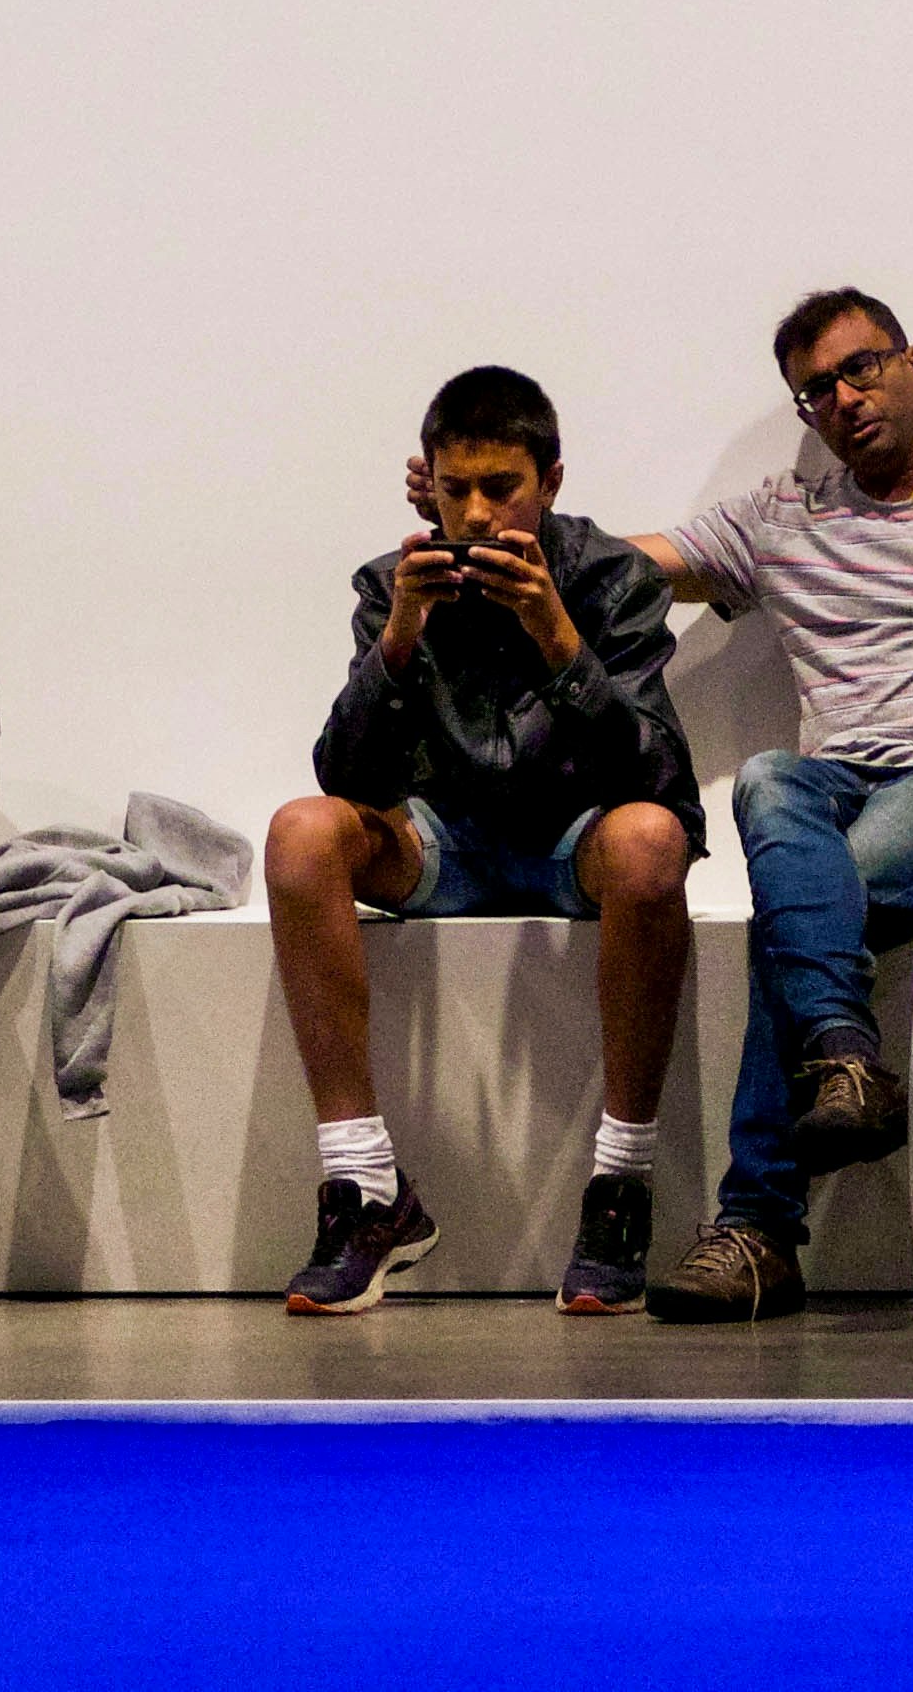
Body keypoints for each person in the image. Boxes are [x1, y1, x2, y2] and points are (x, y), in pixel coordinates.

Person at [628, 284, 913, 1322]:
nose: (841, 398)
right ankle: (842, 1061)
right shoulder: (781, 516)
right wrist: (504, 531)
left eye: (860, 368)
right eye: (815, 391)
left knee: (788, 926)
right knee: (761, 778)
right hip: (830, 782)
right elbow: (629, 568)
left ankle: (757, 1225)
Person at [265, 363, 703, 1314]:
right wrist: (400, 636)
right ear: (426, 480)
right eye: (454, 489)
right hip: (443, 841)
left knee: (648, 843)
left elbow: (659, 780)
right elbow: (344, 777)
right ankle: (365, 1188)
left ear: (548, 481)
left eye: (499, 489)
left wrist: (556, 634)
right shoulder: (394, 583)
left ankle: (620, 1186)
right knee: (300, 834)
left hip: (571, 839)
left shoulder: (613, 581)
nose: (475, 514)